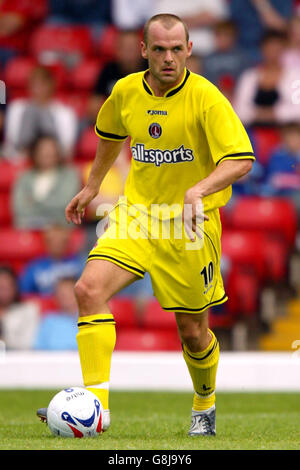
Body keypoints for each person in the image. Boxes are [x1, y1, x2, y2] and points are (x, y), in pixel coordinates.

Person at [37, 14, 254, 436]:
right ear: (144, 51)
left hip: (190, 225)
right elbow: (109, 132)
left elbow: (241, 159)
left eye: (177, 49)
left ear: (190, 50)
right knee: (87, 290)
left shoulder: (207, 98)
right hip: (137, 217)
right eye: (159, 49)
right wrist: (92, 185)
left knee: (193, 332)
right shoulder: (125, 91)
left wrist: (199, 190)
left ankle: (204, 404)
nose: (168, 58)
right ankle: (96, 409)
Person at [4, 66, 78, 160]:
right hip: (20, 159)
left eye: (42, 84)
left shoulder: (65, 113)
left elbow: (66, 148)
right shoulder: (16, 108)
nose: (38, 89)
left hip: (53, 161)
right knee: (31, 111)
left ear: (51, 85)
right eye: (34, 84)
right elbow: (11, 142)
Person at [233, 30, 300, 127]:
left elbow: (297, 111)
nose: (273, 53)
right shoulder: (249, 76)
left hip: (286, 134)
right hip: (253, 134)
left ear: (283, 50)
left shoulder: (295, 76)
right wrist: (258, 114)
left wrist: (274, 114)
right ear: (262, 50)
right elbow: (239, 110)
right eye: (269, 49)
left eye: (277, 49)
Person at [12, 135, 81, 229]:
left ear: (58, 153)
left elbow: (66, 204)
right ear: (35, 153)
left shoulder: (70, 175)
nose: (47, 153)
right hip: (29, 226)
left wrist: (34, 202)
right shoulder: (24, 177)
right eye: (42, 150)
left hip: (60, 227)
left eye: (50, 150)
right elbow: (19, 207)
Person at [19, 224, 85, 296]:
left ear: (67, 242)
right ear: (46, 243)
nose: (57, 245)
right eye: (53, 241)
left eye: (61, 241)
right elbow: (24, 292)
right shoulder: (35, 267)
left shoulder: (79, 263)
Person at [0, 266, 39, 350]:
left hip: (18, 360)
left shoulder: (28, 310)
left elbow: (28, 344)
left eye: (7, 287)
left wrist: (4, 342)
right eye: (1, 287)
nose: (3, 292)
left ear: (15, 287)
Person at [34, 278, 78, 350]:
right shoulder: (48, 321)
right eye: (61, 294)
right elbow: (38, 350)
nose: (66, 297)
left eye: (69, 293)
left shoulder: (89, 319)